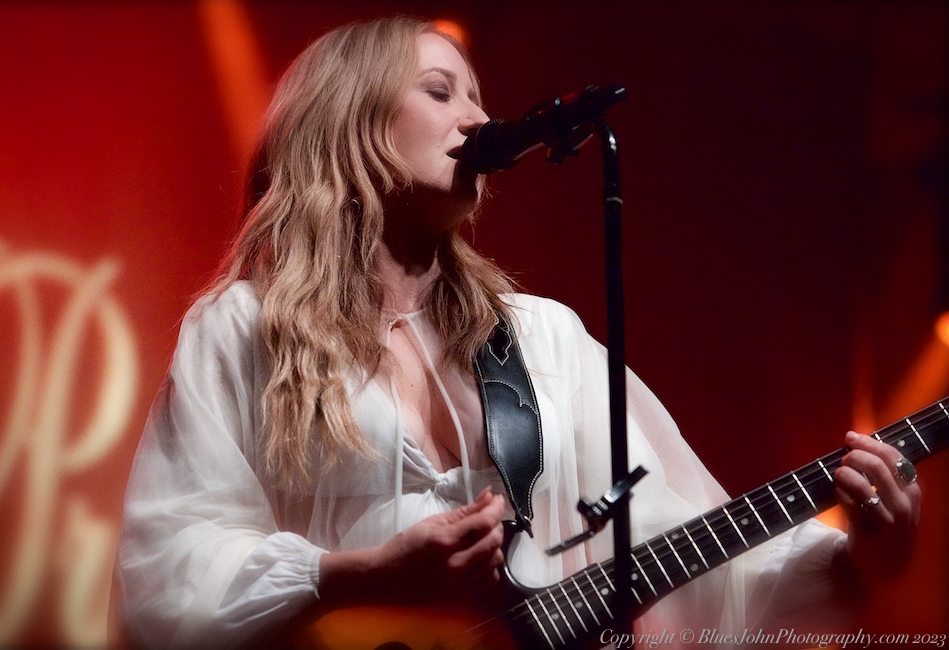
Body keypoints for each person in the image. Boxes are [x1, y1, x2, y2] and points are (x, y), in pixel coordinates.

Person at [113, 15, 922, 649]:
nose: (481, 117)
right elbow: (170, 570)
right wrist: (357, 575)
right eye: (442, 91)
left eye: (477, 95)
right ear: (350, 122)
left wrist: (860, 558)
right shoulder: (244, 327)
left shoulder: (541, 340)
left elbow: (682, 549)